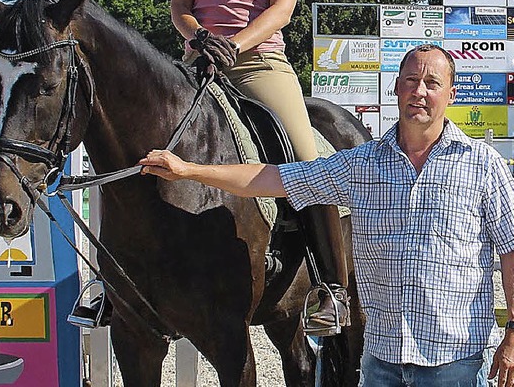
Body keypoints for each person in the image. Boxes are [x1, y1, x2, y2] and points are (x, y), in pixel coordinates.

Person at [139, 44, 514, 387]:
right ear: (396, 88)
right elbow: (274, 177)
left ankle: (330, 290)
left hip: (454, 365)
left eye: (432, 83)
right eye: (412, 81)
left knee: (300, 139)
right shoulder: (362, 163)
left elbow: (511, 249)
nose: (420, 91)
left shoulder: (483, 166)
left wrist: (513, 332)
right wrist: (189, 170)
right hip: (381, 364)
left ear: (451, 95)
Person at [168, 0, 348, 336]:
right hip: (198, 61)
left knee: (309, 162)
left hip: (260, 62)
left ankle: (332, 288)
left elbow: (282, 8)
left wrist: (236, 44)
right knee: (145, 139)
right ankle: (120, 284)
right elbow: (180, 5)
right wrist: (201, 38)